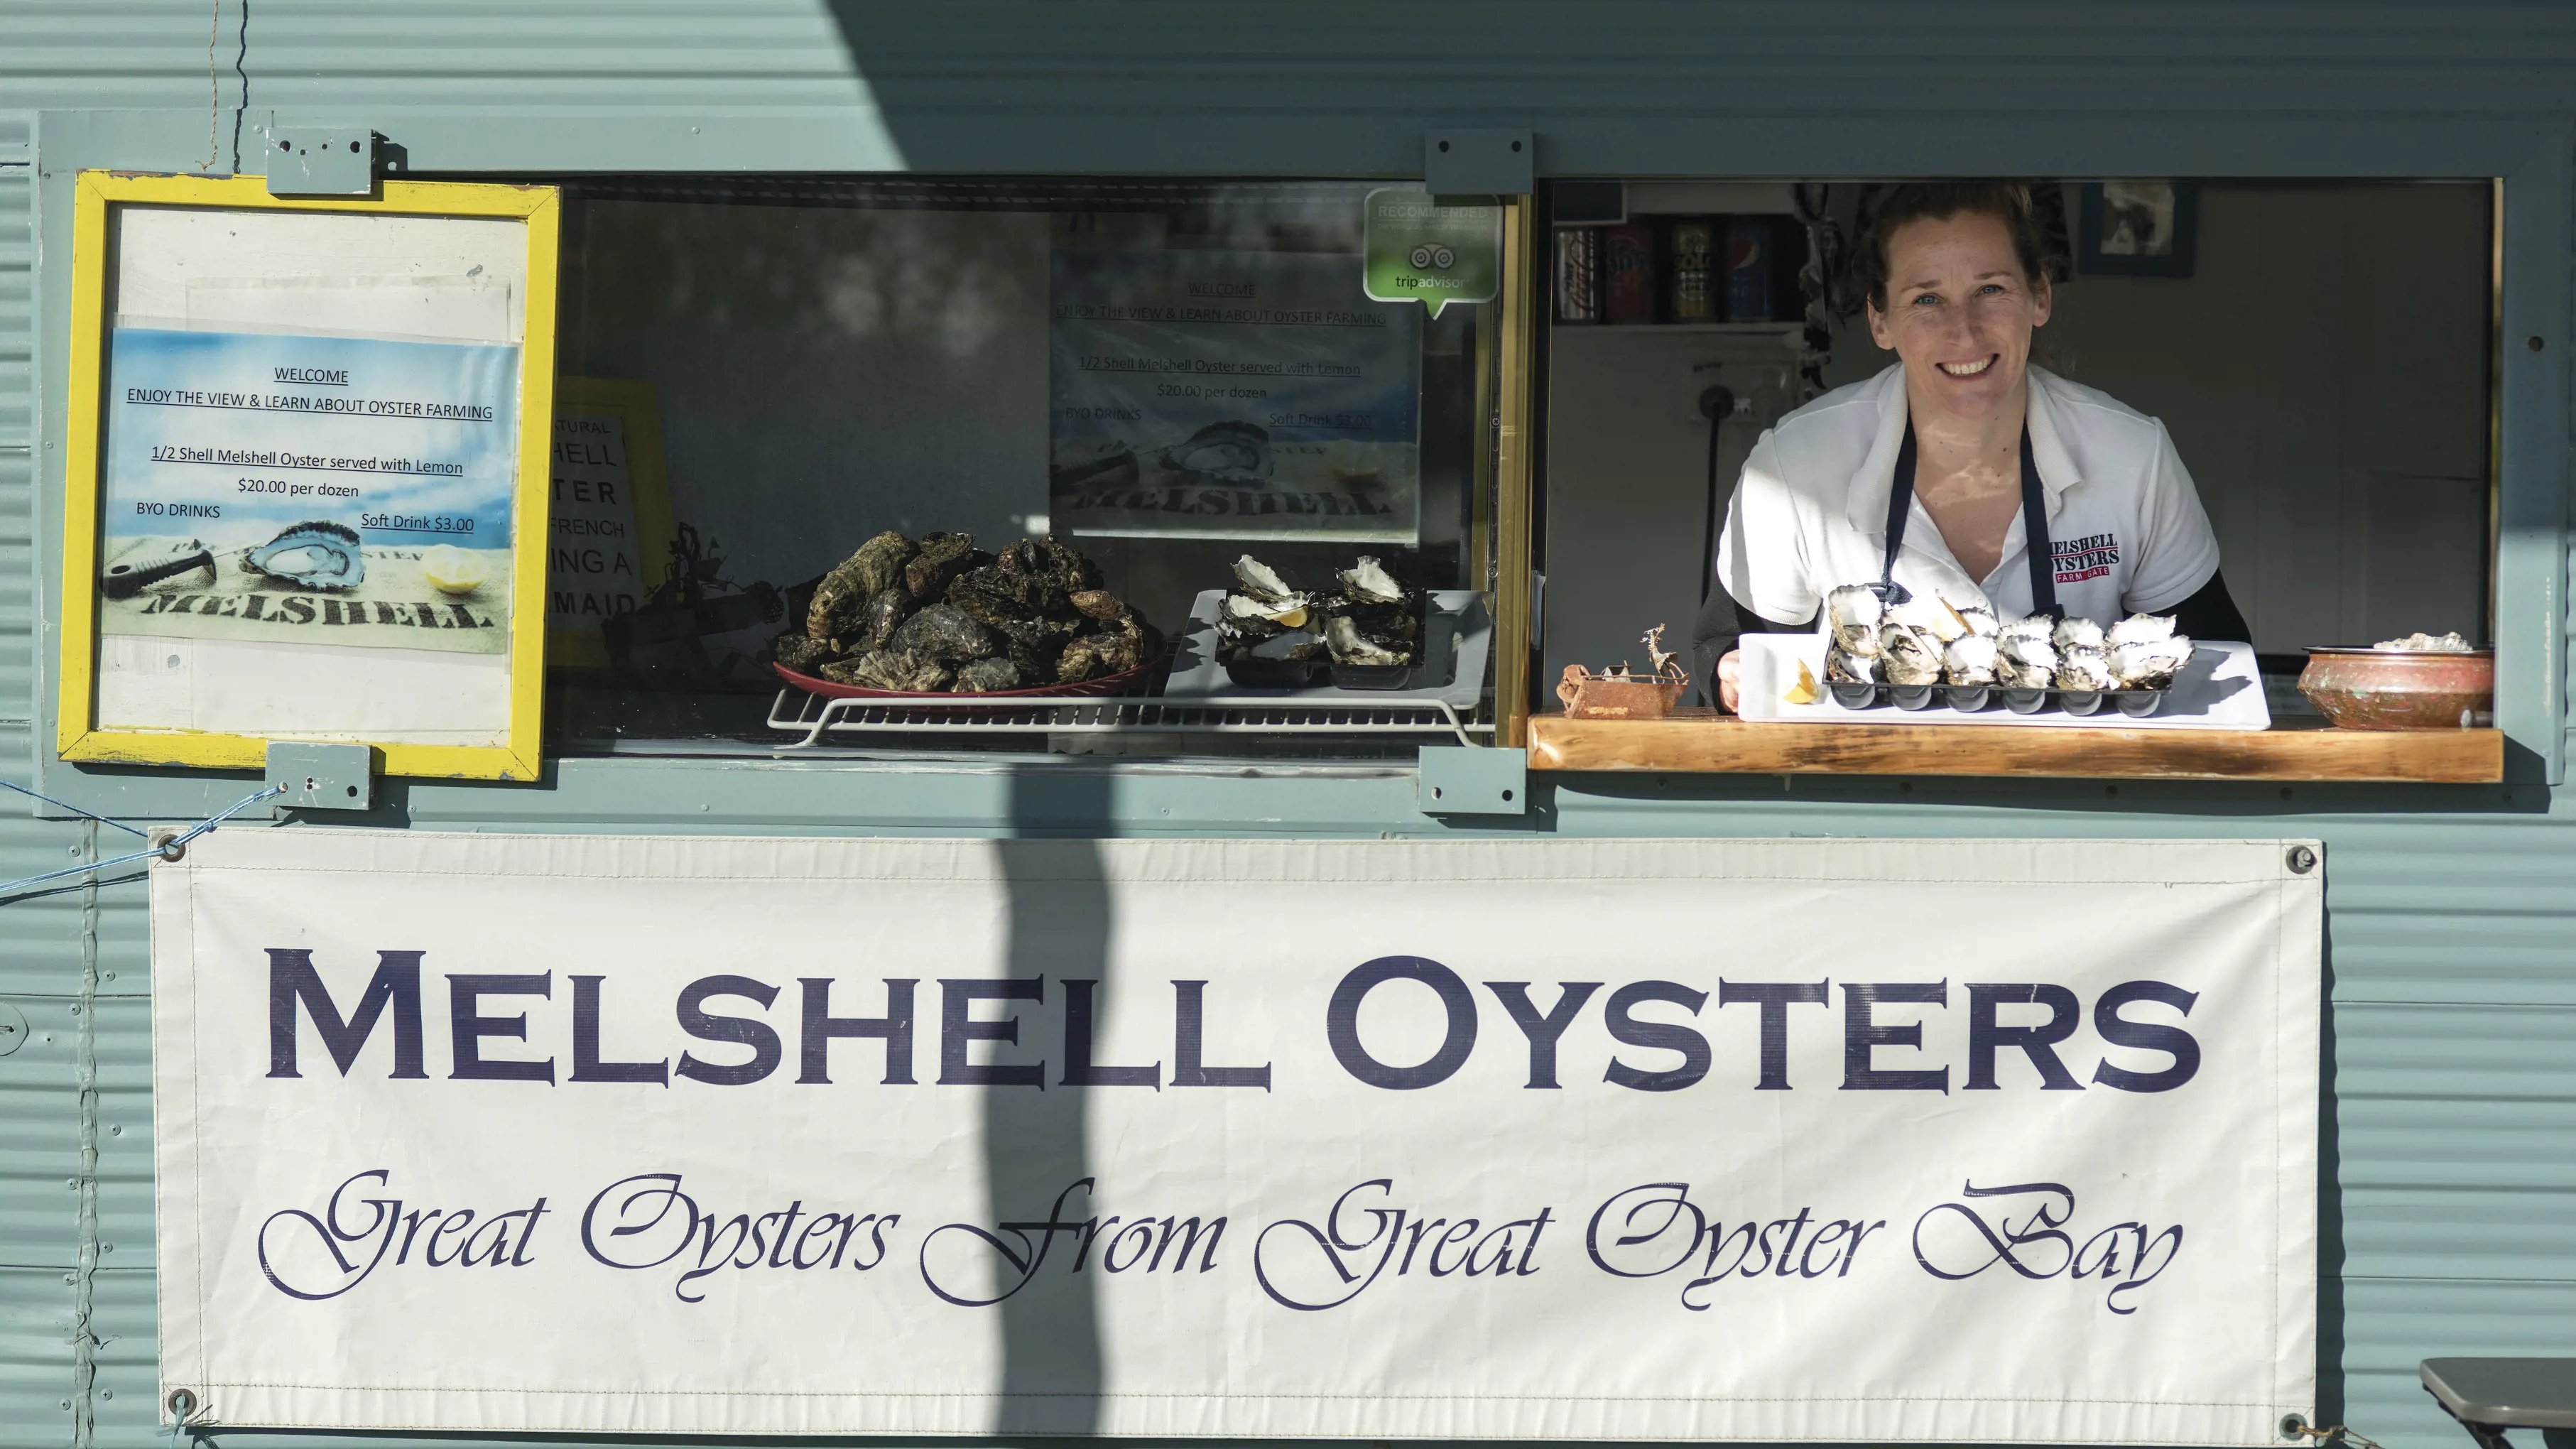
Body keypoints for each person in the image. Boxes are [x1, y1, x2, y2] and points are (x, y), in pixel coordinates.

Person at [1697, 181, 2248, 712]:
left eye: (1990, 290)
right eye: (1926, 298)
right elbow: (1729, 647)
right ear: (1879, 320)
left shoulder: (2132, 456)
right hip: (1865, 790)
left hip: (2077, 790)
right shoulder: (1793, 465)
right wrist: (1731, 676)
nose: (1963, 330)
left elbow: (2215, 661)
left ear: (2039, 297)